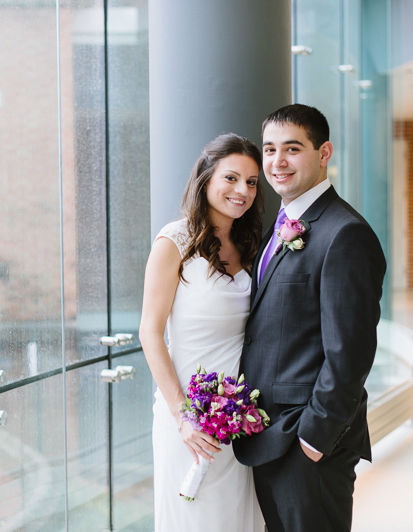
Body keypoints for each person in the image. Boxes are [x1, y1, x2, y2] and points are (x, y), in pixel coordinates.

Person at [233, 104, 386, 532]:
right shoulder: (279, 224)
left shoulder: (345, 233)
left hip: (307, 441)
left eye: (292, 149)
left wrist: (313, 439)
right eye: (269, 149)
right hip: (268, 435)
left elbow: (350, 354)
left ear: (324, 153)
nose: (277, 162)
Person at [139, 133, 266, 531]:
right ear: (206, 178)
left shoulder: (251, 245)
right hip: (189, 416)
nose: (242, 190)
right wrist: (184, 417)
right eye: (231, 178)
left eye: (251, 182)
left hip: (241, 415)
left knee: (237, 517)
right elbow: (150, 333)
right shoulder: (173, 241)